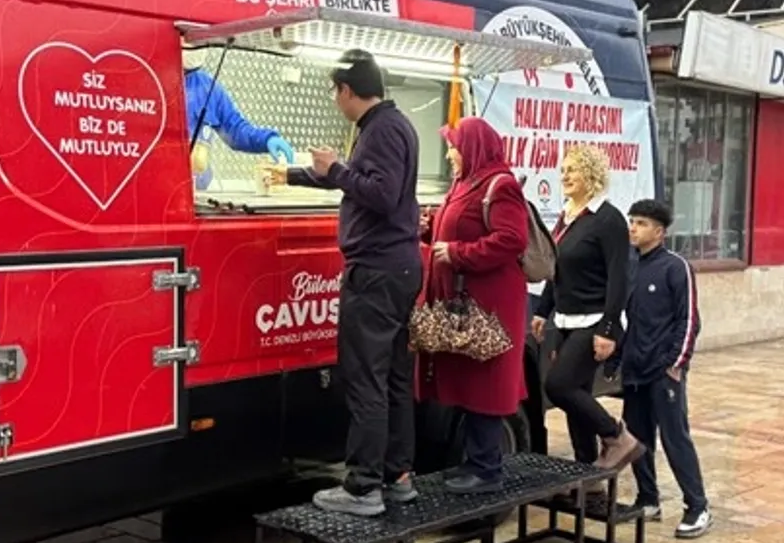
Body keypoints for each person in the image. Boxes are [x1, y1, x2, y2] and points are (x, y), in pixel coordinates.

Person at [272, 49, 422, 516]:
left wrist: (336, 168)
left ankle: (362, 487)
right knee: (393, 378)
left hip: (376, 272)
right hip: (395, 269)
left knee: (366, 379)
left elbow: (381, 194)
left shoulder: (381, 130)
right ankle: (397, 475)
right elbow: (362, 182)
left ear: (346, 90)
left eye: (335, 91)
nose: (335, 100)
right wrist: (294, 175)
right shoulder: (390, 124)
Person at [417, 117, 529, 493]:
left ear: (473, 148)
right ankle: (475, 462)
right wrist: (429, 228)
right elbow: (457, 226)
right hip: (464, 304)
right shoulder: (465, 182)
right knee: (468, 382)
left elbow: (512, 239)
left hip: (489, 305)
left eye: (454, 147)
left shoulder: (501, 185)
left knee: (486, 385)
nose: (450, 154)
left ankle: (487, 469)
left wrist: (459, 253)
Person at [532, 143, 644, 473]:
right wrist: (542, 310)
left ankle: (617, 436)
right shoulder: (568, 215)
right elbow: (556, 267)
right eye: (563, 170)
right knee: (576, 400)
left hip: (594, 321)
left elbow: (619, 278)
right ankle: (588, 473)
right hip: (565, 320)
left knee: (559, 386)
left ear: (592, 174)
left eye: (573, 170)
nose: (564, 175)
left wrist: (608, 329)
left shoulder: (608, 219)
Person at [620, 199, 712, 538]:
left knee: (675, 439)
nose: (633, 228)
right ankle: (648, 500)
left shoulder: (676, 267)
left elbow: (689, 320)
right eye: (632, 221)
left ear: (659, 232)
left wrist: (676, 363)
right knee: (637, 438)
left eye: (641, 223)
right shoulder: (631, 266)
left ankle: (698, 507)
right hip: (635, 369)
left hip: (664, 371)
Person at [184, 49, 295, 190]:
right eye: (187, 42)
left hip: (196, 191)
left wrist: (266, 140)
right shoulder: (157, 84)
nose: (195, 48)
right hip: (161, 189)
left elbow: (235, 130)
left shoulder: (208, 88)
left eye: (198, 44)